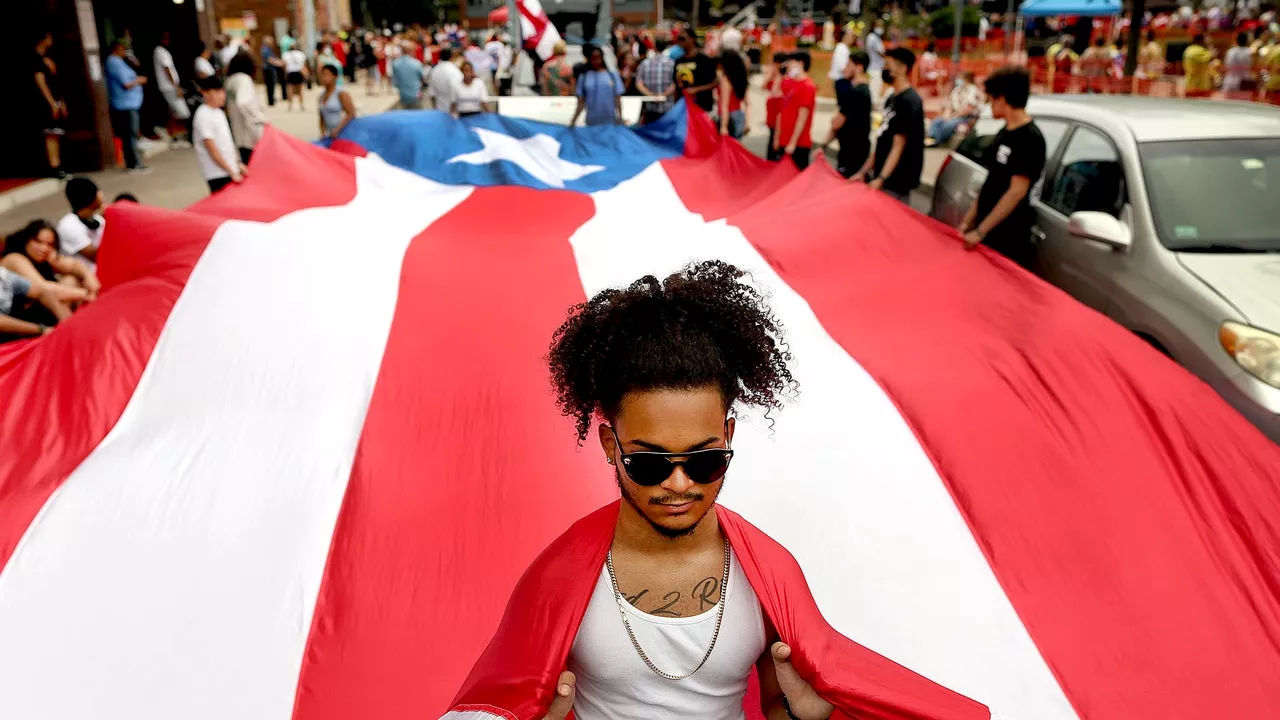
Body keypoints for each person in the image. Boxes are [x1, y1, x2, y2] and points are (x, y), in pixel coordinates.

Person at [536, 260, 832, 720]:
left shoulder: (770, 576)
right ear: (611, 446)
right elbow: (499, 697)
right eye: (650, 463)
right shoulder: (556, 577)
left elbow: (782, 704)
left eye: (704, 460)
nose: (679, 483)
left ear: (729, 436)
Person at [960, 66, 1047, 271]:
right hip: (988, 230)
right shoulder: (1004, 133)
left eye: (990, 99)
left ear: (1002, 99)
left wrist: (981, 231)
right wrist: (969, 220)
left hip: (1008, 235)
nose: (989, 106)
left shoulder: (1030, 139)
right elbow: (992, 181)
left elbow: (1016, 192)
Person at [855, 47, 924, 203]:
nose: (884, 69)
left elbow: (898, 145)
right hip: (883, 179)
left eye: (888, 65)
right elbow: (882, 138)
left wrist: (882, 178)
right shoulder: (891, 99)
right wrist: (864, 172)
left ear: (903, 68)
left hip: (896, 183)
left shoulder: (909, 102)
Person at [1, 220, 95, 325]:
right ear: (27, 240)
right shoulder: (14, 259)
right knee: (68, 284)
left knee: (71, 279)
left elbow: (74, 265)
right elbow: (44, 289)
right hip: (23, 318)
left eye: (50, 244)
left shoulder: (47, 256)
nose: (44, 248)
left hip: (46, 308)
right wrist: (86, 293)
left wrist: (89, 278)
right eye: (38, 242)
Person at [192, 77, 246, 193]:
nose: (222, 95)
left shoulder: (219, 112)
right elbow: (212, 149)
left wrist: (237, 163)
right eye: (216, 92)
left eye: (222, 91)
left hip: (229, 169)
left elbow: (228, 143)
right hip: (217, 173)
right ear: (205, 93)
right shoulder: (203, 116)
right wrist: (231, 172)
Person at [825, 50, 872, 178]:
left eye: (848, 65)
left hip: (852, 152)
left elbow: (837, 123)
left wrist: (824, 143)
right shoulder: (861, 90)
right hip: (853, 150)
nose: (844, 69)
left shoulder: (856, 93)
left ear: (859, 67)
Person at [105, 40, 149, 173]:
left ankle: (134, 161)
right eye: (123, 49)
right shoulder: (114, 62)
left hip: (130, 102)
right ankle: (133, 163)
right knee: (130, 134)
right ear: (117, 48)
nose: (125, 52)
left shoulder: (120, 62)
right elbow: (126, 83)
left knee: (131, 134)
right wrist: (139, 80)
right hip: (125, 103)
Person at [773, 51, 817, 169]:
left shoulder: (807, 86)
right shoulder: (788, 82)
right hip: (783, 139)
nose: (788, 65)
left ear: (800, 63)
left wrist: (792, 142)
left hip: (799, 143)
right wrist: (777, 137)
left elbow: (802, 118)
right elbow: (780, 109)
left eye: (791, 62)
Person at [33, 32, 67, 179]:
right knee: (51, 134)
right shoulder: (35, 59)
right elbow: (40, 82)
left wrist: (60, 101)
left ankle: (58, 164)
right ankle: (54, 166)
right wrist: (52, 102)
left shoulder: (46, 59)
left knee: (56, 133)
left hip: (55, 99)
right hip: (46, 102)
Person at [224, 52, 268, 164]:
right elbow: (244, 102)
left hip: (238, 134)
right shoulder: (244, 79)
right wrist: (260, 120)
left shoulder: (230, 81)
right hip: (250, 135)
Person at [55, 177, 105, 270]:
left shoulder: (98, 219)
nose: (102, 194)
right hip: (86, 278)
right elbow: (96, 257)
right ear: (91, 197)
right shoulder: (69, 225)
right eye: (98, 191)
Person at [153, 31, 191, 146]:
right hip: (170, 87)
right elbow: (167, 69)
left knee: (173, 112)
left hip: (167, 87)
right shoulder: (161, 52)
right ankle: (177, 136)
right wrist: (176, 87)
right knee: (184, 113)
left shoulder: (159, 51)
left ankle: (174, 135)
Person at [926, 70, 983, 146]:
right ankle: (931, 139)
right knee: (937, 121)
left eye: (960, 78)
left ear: (967, 79)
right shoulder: (957, 90)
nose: (958, 80)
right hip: (955, 114)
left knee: (949, 124)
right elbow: (950, 105)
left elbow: (968, 109)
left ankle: (937, 141)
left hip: (968, 116)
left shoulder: (973, 90)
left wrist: (953, 116)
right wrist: (947, 115)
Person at [571, 46, 624, 127]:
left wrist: (620, 117)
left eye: (598, 58)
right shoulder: (584, 77)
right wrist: (573, 121)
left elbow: (617, 98)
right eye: (593, 58)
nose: (596, 61)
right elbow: (581, 102)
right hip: (591, 122)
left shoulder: (612, 75)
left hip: (610, 121)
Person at [672, 29, 718, 113]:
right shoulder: (678, 61)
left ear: (692, 39)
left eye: (682, 39)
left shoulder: (704, 60)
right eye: (678, 39)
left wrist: (696, 89)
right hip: (684, 108)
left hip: (702, 108)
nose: (679, 42)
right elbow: (676, 85)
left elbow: (715, 82)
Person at [636, 39, 676, 124]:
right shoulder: (672, 63)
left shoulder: (645, 63)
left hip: (650, 107)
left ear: (654, 48)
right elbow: (675, 84)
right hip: (668, 107)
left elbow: (639, 83)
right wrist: (663, 95)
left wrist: (650, 95)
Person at [318, 64, 357, 140]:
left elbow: (351, 113)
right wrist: (322, 133)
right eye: (323, 75)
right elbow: (321, 117)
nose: (325, 78)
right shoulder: (321, 96)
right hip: (330, 134)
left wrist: (338, 129)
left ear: (335, 77)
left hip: (343, 132)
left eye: (328, 75)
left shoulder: (341, 93)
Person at [716, 50, 749, 138]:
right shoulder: (741, 79)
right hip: (739, 116)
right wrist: (747, 122)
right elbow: (748, 104)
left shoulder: (725, 80)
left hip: (728, 118)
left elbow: (725, 105)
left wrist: (724, 126)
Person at [764, 52, 789, 162]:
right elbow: (764, 86)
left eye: (773, 63)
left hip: (778, 124)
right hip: (772, 122)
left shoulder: (784, 81)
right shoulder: (776, 80)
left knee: (774, 151)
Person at [391, 40, 426, 109]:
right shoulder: (416, 63)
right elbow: (423, 79)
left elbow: (395, 82)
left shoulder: (396, 63)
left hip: (403, 95)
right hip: (416, 95)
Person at [1223, 32, 1256, 97]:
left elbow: (1227, 65)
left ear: (1236, 40)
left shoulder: (1230, 51)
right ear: (1247, 41)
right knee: (1243, 103)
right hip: (1245, 80)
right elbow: (1252, 66)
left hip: (1231, 80)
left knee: (1228, 103)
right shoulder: (1250, 52)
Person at [1183, 33, 1215, 98]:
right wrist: (1210, 44)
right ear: (1201, 40)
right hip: (1201, 86)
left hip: (1189, 84)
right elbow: (1212, 57)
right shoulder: (1200, 51)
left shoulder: (1188, 49)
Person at [282, 43, 309, 110]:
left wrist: (285, 73)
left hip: (290, 72)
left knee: (290, 89)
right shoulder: (301, 54)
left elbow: (284, 65)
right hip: (299, 72)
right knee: (300, 89)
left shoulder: (286, 55)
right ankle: (301, 104)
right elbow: (304, 64)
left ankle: (290, 105)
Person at [865, 21, 886, 103]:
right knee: (873, 88)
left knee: (877, 88)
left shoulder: (877, 38)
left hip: (878, 67)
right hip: (874, 68)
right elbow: (880, 52)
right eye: (879, 26)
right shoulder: (872, 37)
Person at [260, 36, 284, 106]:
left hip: (270, 69)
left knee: (272, 86)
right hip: (268, 70)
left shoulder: (268, 49)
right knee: (270, 86)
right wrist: (279, 63)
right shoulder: (265, 49)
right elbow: (270, 59)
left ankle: (272, 100)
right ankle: (271, 101)